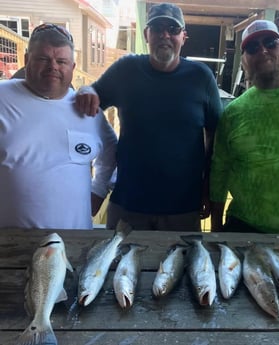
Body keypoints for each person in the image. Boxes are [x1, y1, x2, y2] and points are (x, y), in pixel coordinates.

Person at [76, 2, 223, 231]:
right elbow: (93, 99)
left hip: (182, 207)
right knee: (116, 266)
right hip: (128, 204)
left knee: (183, 266)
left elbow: (216, 137)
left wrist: (207, 187)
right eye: (157, 28)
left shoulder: (201, 77)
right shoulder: (126, 69)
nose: (165, 35)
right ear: (147, 34)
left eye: (173, 29)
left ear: (184, 36)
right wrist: (86, 90)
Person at [0, 23, 117, 229]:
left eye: (61, 61)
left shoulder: (87, 108)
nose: (53, 66)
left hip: (74, 245)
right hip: (10, 244)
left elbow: (111, 151)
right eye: (43, 59)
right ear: (27, 61)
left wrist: (98, 190)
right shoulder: (3, 96)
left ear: (72, 67)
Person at [210, 19, 279, 235]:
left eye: (271, 42)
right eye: (252, 48)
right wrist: (215, 232)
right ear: (244, 61)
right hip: (247, 231)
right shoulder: (234, 112)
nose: (262, 50)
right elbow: (219, 174)